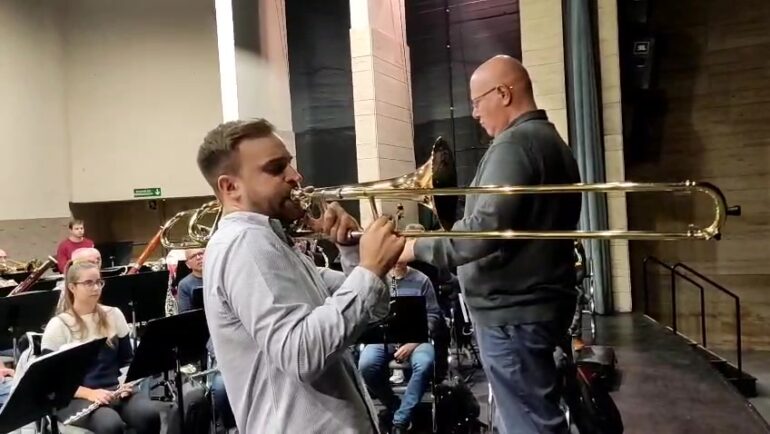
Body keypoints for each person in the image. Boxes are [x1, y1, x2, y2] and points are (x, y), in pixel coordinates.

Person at [399, 55, 582, 434]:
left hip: (512, 314)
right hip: (533, 307)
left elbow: (481, 232)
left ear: (503, 92)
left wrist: (416, 247)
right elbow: (498, 221)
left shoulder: (515, 144)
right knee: (534, 414)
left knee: (529, 424)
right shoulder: (550, 142)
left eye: (477, 101)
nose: (475, 114)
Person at [197, 118, 405, 434]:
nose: (296, 177)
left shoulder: (272, 243)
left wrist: (350, 253)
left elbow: (376, 312)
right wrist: (370, 268)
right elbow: (300, 355)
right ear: (230, 187)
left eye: (290, 165)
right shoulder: (246, 244)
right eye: (276, 168)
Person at [41, 261, 161, 433]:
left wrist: (128, 384)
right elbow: (50, 381)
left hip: (113, 389)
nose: (96, 287)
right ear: (72, 287)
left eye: (99, 282)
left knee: (148, 414)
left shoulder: (114, 314)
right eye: (88, 283)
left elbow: (127, 360)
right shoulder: (59, 325)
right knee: (110, 424)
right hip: (74, 397)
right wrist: (90, 393)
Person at [358, 260, 441, 433]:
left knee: (424, 363)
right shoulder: (378, 280)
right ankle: (396, 406)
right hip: (385, 339)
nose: (396, 263)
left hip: (417, 340)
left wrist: (413, 343)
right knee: (366, 365)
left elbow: (433, 315)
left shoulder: (422, 280)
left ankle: (401, 420)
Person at [176, 247, 235, 429]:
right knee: (220, 388)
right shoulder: (186, 285)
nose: (200, 257)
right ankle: (228, 426)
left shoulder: (219, 275)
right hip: (205, 336)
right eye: (194, 256)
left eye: (202, 253)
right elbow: (186, 317)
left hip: (228, 332)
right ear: (188, 264)